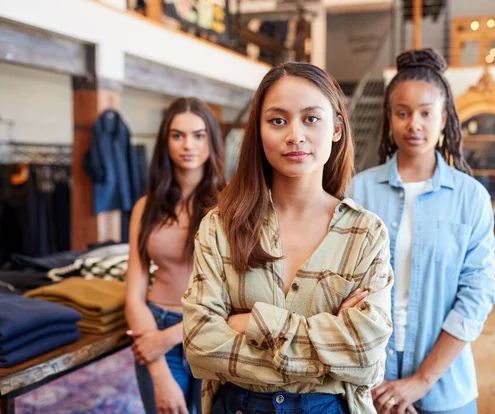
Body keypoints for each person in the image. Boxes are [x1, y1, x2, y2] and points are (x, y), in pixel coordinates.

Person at [182, 62, 394, 414]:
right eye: (277, 120)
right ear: (259, 131)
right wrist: (329, 354)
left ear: (337, 128)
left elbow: (367, 359)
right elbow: (200, 344)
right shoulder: (220, 225)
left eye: (311, 118)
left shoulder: (365, 233)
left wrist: (254, 323)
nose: (294, 134)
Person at [349, 48, 495, 414]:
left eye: (426, 113)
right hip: (369, 383)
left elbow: (477, 294)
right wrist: (375, 383)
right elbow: (340, 287)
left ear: (444, 118)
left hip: (446, 387)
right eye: (402, 113)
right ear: (389, 118)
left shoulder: (470, 197)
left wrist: (421, 382)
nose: (414, 124)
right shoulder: (357, 192)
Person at [125, 97, 226, 414]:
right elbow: (133, 293)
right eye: (177, 135)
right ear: (165, 142)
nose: (188, 145)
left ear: (212, 140)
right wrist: (156, 362)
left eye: (198, 135)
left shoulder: (231, 205)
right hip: (154, 324)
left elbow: (237, 296)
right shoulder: (146, 207)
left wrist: (171, 337)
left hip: (213, 330)